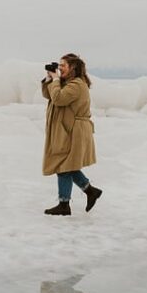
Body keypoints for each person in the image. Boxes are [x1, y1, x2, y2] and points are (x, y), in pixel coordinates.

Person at [41, 53, 102, 215]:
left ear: (72, 67)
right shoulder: (66, 83)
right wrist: (49, 79)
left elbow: (59, 98)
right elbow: (50, 96)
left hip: (74, 131)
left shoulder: (76, 85)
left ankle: (64, 204)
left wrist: (55, 81)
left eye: (63, 66)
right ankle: (90, 191)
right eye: (59, 65)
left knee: (64, 165)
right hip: (66, 130)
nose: (59, 68)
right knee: (66, 164)